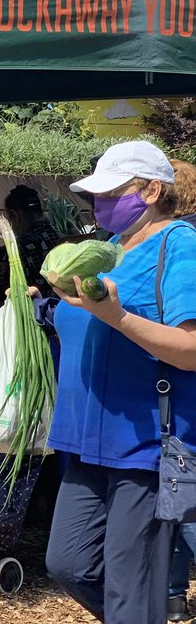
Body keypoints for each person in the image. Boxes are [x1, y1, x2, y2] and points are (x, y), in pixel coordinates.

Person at [44, 141, 196, 624]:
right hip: (85, 443)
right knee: (67, 564)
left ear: (152, 190)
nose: (100, 204)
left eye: (112, 192)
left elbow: (191, 350)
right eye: (96, 195)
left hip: (145, 447)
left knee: (132, 587)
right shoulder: (105, 253)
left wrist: (116, 316)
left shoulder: (179, 243)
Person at [166, 158, 196, 622]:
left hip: (180, 387)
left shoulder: (179, 243)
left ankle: (172, 596)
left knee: (181, 496)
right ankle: (171, 595)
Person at [0, 185, 62, 299]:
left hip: (30, 311)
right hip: (59, 307)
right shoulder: (59, 238)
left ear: (14, 215)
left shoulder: (14, 248)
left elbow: (1, 288)